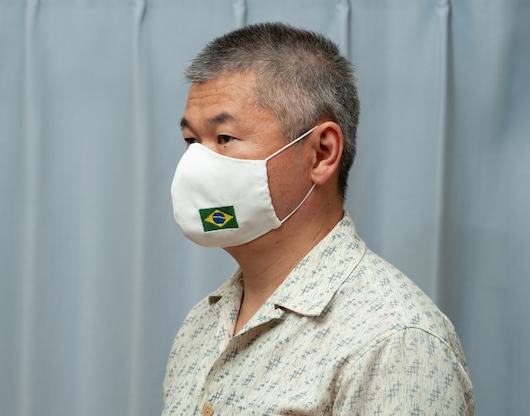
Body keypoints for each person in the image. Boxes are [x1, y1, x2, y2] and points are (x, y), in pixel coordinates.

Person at [164, 22, 475, 415]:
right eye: (192, 141)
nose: (196, 164)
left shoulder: (392, 341)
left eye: (224, 138)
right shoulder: (204, 323)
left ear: (322, 154)